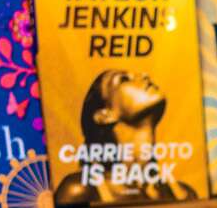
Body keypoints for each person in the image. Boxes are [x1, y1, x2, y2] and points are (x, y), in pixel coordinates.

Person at [53, 70, 198, 204]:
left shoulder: (183, 194)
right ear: (104, 115)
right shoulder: (79, 191)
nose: (145, 76)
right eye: (124, 79)